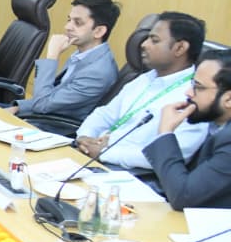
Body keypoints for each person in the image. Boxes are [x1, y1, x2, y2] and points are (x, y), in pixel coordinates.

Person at [77, 12, 207, 169]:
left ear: (180, 48)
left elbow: (172, 155)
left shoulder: (194, 97)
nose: (144, 44)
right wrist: (85, 136)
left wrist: (105, 152)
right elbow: (105, 114)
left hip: (129, 172)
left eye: (154, 40)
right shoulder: (145, 78)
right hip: (95, 156)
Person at [5, 0, 120, 128]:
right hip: (40, 116)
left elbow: (41, 104)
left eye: (78, 23)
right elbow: (53, 96)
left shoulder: (98, 72)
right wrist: (18, 107)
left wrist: (52, 56)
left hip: (53, 128)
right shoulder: (83, 55)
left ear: (99, 31)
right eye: (69, 20)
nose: (67, 27)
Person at [147, 49, 231, 210]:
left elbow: (183, 196)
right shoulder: (215, 126)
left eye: (198, 87)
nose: (188, 93)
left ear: (229, 99)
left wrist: (165, 132)